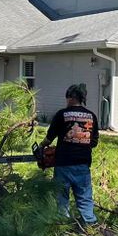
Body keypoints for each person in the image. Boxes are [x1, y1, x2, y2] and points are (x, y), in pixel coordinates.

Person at [41, 83, 99, 224]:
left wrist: (41, 146)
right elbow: (94, 141)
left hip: (63, 164)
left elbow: (49, 138)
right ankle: (90, 227)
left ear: (72, 97)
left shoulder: (62, 114)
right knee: (85, 198)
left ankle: (63, 227)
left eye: (67, 98)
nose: (66, 101)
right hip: (82, 164)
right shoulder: (91, 116)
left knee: (62, 199)